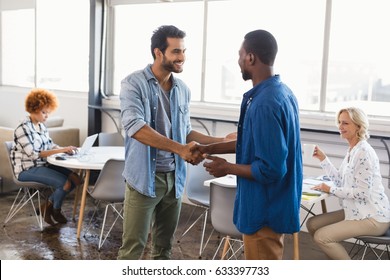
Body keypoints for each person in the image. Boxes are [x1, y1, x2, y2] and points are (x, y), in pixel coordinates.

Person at [117, 25, 228, 260]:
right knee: (132, 250)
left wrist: (221, 141)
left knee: (164, 249)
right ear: (159, 52)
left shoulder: (182, 90)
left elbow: (185, 132)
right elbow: (135, 127)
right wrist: (180, 149)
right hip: (144, 179)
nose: (182, 57)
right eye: (176, 51)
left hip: (174, 180)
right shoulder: (133, 84)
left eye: (184, 51)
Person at [195, 29, 303, 260]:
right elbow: (252, 144)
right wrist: (209, 148)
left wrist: (227, 168)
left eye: (240, 54)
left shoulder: (264, 104)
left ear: (250, 57)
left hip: (264, 212)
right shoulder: (281, 93)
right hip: (272, 207)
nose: (238, 60)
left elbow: (271, 168)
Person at [307, 107, 390, 259]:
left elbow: (362, 193)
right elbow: (340, 181)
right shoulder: (352, 149)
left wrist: (330, 189)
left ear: (359, 126)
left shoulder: (364, 152)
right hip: (356, 210)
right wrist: (323, 159)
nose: (340, 127)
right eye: (339, 122)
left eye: (345, 123)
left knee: (322, 236)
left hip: (373, 217)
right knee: (312, 224)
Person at [11, 88, 82, 225]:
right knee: (65, 183)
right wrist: (60, 150)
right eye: (44, 112)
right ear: (33, 109)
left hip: (42, 165)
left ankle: (46, 206)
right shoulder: (23, 128)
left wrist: (64, 149)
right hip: (27, 169)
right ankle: (56, 210)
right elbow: (34, 154)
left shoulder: (41, 126)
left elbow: (50, 145)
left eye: (48, 113)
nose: (46, 116)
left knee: (76, 178)